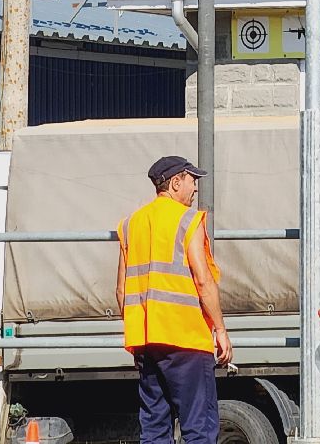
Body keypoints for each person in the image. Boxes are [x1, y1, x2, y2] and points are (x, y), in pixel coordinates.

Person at [117, 156, 232, 444]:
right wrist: (220, 330)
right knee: (199, 428)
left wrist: (138, 340)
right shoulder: (188, 220)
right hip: (186, 340)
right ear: (175, 182)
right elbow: (203, 280)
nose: (195, 189)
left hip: (147, 343)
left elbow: (121, 291)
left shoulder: (131, 224)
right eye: (193, 181)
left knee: (155, 429)